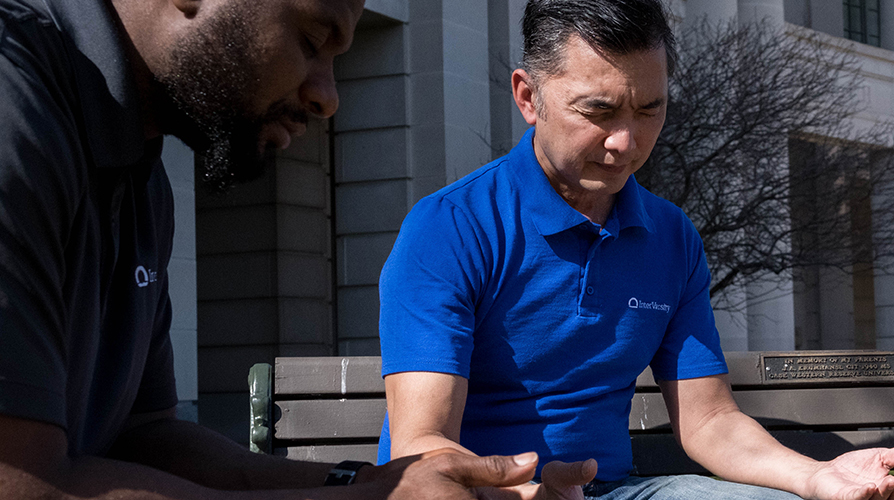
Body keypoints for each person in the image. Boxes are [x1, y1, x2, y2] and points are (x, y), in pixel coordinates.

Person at [0, 0, 577, 497]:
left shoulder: (139, 173)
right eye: (311, 40)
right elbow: (24, 485)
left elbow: (146, 438)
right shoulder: (15, 105)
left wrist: (369, 484)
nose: (328, 96)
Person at [376, 1, 894, 499]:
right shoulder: (451, 227)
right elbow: (422, 446)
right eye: (598, 111)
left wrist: (814, 476)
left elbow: (709, 422)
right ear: (528, 97)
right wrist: (519, 494)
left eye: (648, 110)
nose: (626, 143)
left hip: (614, 491)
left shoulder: (671, 236)